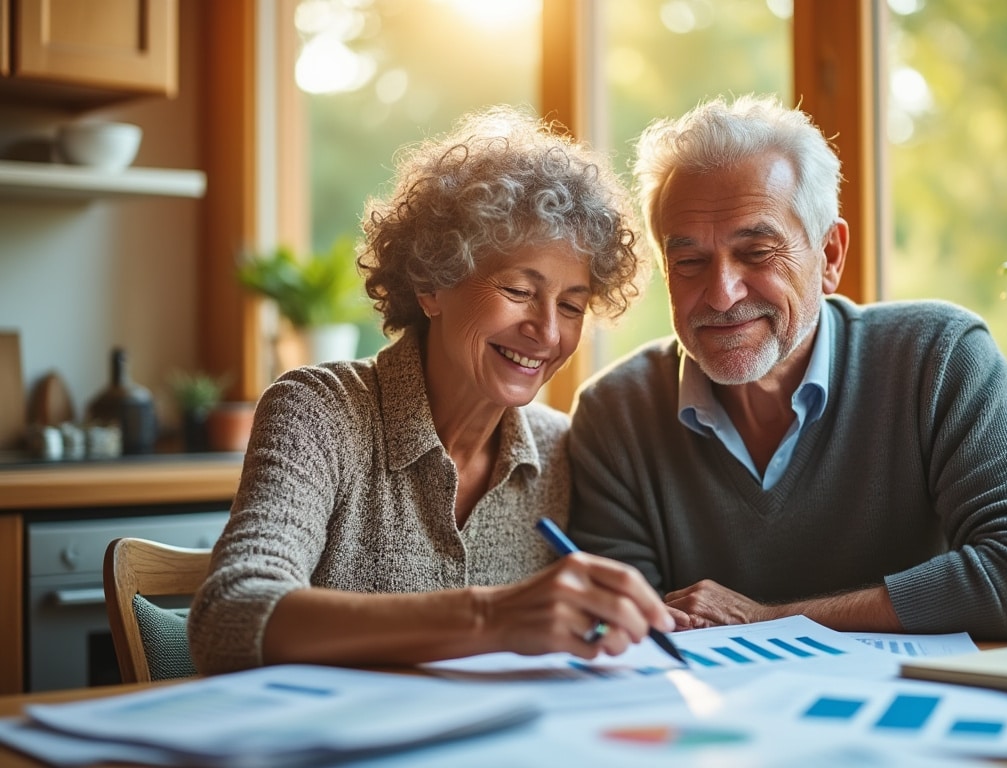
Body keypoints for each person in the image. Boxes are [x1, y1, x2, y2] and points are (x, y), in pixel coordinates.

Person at [567, 94, 1007, 639]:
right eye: (690, 262)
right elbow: (627, 635)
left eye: (758, 252)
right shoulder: (615, 412)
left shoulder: (937, 357)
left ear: (831, 255)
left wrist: (772, 621)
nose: (721, 295)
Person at [189, 106, 672, 674]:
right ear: (431, 285)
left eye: (570, 306)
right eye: (518, 289)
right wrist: (491, 618)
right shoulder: (319, 410)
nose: (546, 331)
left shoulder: (562, 448)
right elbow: (229, 619)